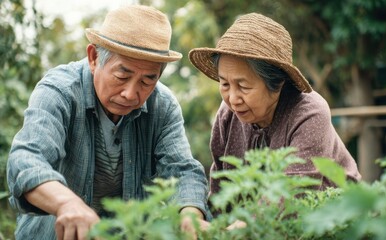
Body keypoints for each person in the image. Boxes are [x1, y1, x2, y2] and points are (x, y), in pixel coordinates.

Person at [7, 5, 209, 240]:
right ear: (93, 58)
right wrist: (68, 204)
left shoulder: (162, 105)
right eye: (122, 76)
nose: (131, 94)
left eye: (147, 81)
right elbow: (26, 160)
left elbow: (182, 169)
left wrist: (190, 215)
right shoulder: (59, 91)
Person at [188, 12, 361, 220]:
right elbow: (220, 192)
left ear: (277, 85)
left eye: (242, 86)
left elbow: (292, 198)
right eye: (224, 84)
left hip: (336, 220)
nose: (232, 98)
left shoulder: (309, 113)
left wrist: (242, 228)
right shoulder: (227, 115)